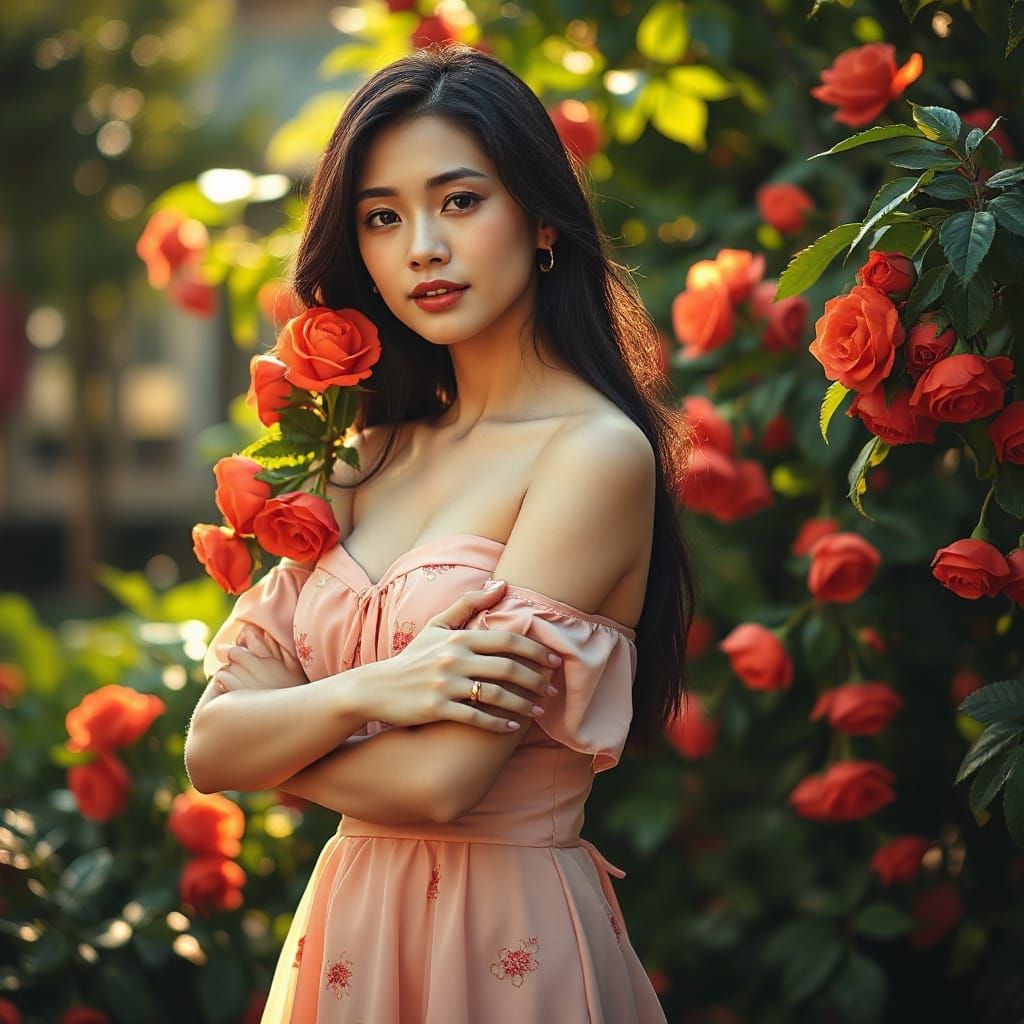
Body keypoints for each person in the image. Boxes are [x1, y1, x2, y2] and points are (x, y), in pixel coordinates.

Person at [184, 42, 696, 1024]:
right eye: (383, 216)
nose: (421, 245)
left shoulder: (590, 454)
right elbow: (210, 744)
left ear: (542, 221)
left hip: (505, 944)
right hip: (349, 935)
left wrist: (279, 742)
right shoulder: (360, 459)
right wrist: (379, 687)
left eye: (459, 200)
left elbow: (438, 781)